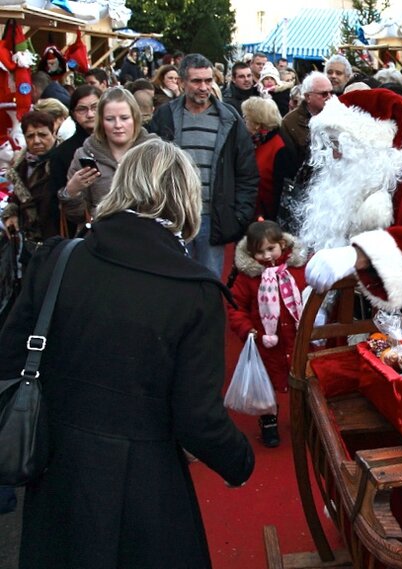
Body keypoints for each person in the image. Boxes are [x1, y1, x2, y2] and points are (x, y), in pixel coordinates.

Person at [0, 139, 255, 569]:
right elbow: (197, 418)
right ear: (184, 198)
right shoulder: (193, 292)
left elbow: (9, 357)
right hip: (143, 481)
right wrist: (240, 462)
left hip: (56, 467)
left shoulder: (58, 258)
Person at [297, 88, 402, 310]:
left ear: (370, 141)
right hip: (352, 316)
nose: (334, 155)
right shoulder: (351, 176)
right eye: (331, 145)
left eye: (340, 144)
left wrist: (362, 253)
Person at [149, 53, 259, 278]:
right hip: (175, 216)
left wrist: (238, 216)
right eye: (196, 81)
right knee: (174, 281)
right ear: (181, 83)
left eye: (208, 81)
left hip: (213, 218)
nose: (204, 87)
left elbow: (246, 172)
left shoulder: (229, 118)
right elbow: (150, 166)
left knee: (209, 284)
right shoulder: (165, 116)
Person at [227, 220, 306, 447]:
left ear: (282, 244)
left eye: (270, 249)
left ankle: (302, 417)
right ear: (252, 254)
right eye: (259, 252)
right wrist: (245, 328)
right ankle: (268, 420)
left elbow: (309, 293)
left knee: (300, 377)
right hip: (265, 341)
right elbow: (235, 306)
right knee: (266, 383)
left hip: (295, 337)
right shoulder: (249, 277)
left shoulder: (296, 270)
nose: (266, 255)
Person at [59, 87, 158, 223]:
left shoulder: (155, 152)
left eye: (124, 118)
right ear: (101, 122)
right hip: (101, 237)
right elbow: (77, 217)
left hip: (147, 236)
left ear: (135, 118)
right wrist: (72, 191)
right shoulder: (85, 154)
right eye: (110, 119)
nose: (118, 125)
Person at [46, 85, 101, 231]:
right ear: (73, 114)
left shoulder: (118, 143)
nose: (90, 114)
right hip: (81, 231)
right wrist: (71, 190)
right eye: (82, 109)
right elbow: (55, 203)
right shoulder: (62, 153)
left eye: (95, 107)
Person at [1, 111, 59, 245]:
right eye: (30, 136)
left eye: (43, 135)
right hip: (29, 240)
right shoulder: (21, 165)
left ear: (53, 133)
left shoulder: (64, 160)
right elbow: (17, 196)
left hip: (56, 237)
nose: (37, 141)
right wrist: (11, 213)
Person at [241, 97, 292, 221]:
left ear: (257, 123)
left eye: (246, 118)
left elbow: (281, 190)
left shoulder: (279, 146)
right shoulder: (256, 142)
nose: (244, 122)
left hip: (269, 220)